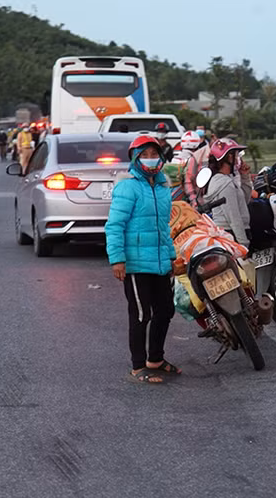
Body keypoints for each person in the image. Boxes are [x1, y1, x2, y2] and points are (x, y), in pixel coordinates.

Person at [105, 133, 178, 384]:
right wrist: (117, 259)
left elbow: (163, 228)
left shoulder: (162, 187)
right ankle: (138, 366)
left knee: (166, 310)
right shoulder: (128, 186)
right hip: (136, 263)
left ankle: (155, 359)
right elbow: (114, 225)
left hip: (159, 262)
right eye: (144, 155)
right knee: (140, 314)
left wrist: (171, 257)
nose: (150, 159)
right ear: (135, 159)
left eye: (154, 154)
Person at [204, 138, 251, 248]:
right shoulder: (225, 184)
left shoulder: (227, 179)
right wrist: (243, 243)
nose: (239, 158)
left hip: (230, 233)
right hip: (230, 234)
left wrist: (245, 177)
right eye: (236, 154)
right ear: (229, 156)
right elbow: (234, 217)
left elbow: (244, 202)